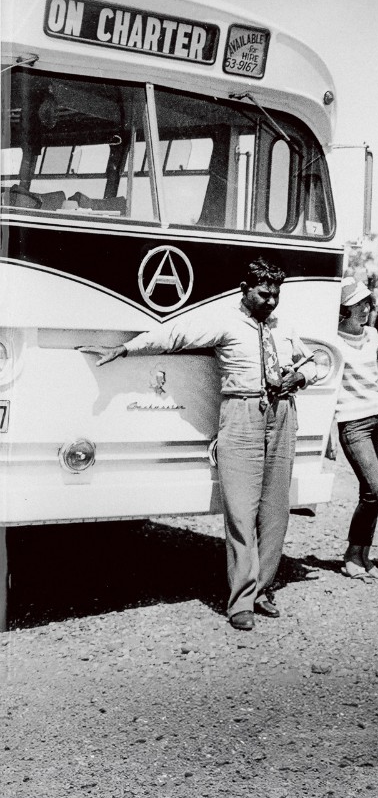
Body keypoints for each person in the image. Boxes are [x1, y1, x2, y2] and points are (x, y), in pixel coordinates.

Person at [86, 257, 315, 631]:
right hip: (241, 415)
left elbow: (314, 361)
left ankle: (262, 590)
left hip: (284, 414)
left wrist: (301, 375)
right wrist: (126, 349)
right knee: (241, 512)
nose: (270, 302)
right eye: (263, 294)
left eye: (275, 295)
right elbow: (172, 334)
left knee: (275, 512)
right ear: (245, 289)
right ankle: (241, 601)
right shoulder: (222, 321)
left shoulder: (282, 324)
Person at [334, 277, 378, 582]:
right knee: (377, 492)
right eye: (357, 304)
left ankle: (362, 555)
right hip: (352, 422)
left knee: (368, 493)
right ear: (343, 309)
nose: (365, 308)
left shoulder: (372, 334)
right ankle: (350, 554)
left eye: (366, 302)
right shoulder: (331, 340)